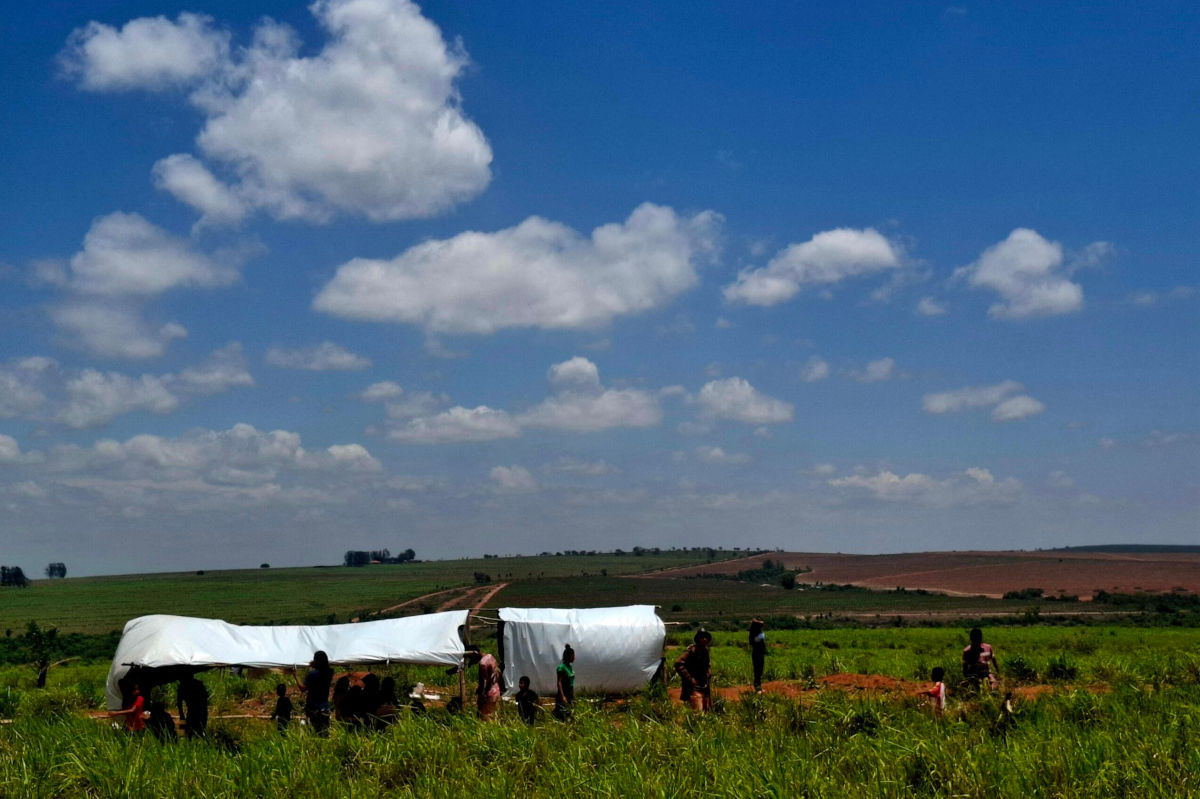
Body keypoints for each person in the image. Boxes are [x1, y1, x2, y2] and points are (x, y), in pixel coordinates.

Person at [295, 650, 333, 735]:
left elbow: (303, 688)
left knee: (313, 732)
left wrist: (295, 675)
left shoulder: (313, 674)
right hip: (325, 708)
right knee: (324, 732)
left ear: (317, 661)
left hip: (314, 709)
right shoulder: (329, 673)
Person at [675, 629, 713, 711]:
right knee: (697, 710)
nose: (704, 639)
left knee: (706, 709)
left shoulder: (705, 651)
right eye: (702, 637)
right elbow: (678, 663)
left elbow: (708, 665)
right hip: (693, 687)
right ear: (697, 639)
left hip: (704, 685)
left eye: (706, 637)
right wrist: (690, 678)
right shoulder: (691, 651)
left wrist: (708, 673)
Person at [177, 672, 209, 739]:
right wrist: (181, 714)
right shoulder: (198, 684)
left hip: (197, 710)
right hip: (198, 710)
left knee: (194, 730)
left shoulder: (183, 686)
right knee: (196, 730)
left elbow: (179, 702)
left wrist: (181, 714)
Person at [475, 649, 502, 720]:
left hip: (489, 694)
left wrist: (482, 696)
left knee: (485, 718)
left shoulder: (483, 663)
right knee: (494, 716)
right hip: (496, 690)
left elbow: (484, 682)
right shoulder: (490, 657)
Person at [553, 644, 575, 721]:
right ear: (569, 656)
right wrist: (563, 696)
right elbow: (559, 682)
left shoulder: (570, 667)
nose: (574, 657)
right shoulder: (561, 668)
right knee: (561, 712)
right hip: (564, 692)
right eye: (573, 656)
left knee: (569, 711)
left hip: (570, 691)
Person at [749, 618, 767, 693]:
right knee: (757, 671)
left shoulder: (759, 632)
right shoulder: (753, 633)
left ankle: (759, 686)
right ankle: (757, 687)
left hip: (760, 653)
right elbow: (752, 642)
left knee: (760, 671)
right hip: (756, 653)